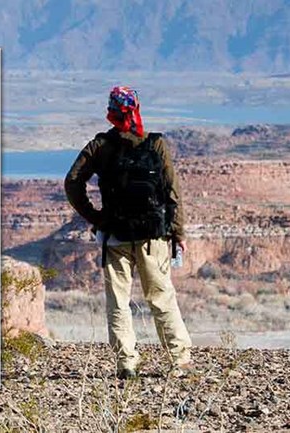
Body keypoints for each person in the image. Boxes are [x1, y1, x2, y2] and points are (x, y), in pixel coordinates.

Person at [64, 86, 195, 379]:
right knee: (161, 297)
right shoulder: (155, 144)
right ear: (136, 109)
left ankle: (127, 363)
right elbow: (173, 192)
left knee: (118, 301)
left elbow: (72, 182)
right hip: (154, 236)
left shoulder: (99, 146)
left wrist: (95, 218)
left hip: (116, 236)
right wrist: (178, 233)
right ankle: (179, 359)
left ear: (111, 112)